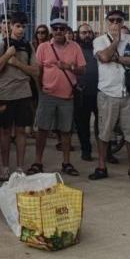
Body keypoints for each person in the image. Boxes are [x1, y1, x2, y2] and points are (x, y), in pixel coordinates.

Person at [91, 9, 130, 184]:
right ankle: (101, 166)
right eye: (112, 20)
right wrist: (115, 41)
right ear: (107, 22)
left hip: (128, 93)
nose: (115, 23)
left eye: (119, 20)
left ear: (123, 22)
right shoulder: (99, 40)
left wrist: (118, 59)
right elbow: (104, 57)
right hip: (108, 93)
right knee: (104, 132)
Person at [31, 17, 86, 176]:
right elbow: (38, 71)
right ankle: (38, 161)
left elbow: (82, 69)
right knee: (42, 130)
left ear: (66, 30)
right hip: (47, 95)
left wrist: (68, 66)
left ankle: (66, 162)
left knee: (66, 131)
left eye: (62, 28)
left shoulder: (75, 47)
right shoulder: (43, 47)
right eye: (55, 28)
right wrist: (40, 90)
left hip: (67, 96)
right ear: (52, 30)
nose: (58, 31)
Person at [0, 13, 36, 179]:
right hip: (5, 94)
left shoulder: (29, 46)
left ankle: (19, 168)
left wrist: (17, 63)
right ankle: (4, 167)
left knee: (21, 131)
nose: (21, 30)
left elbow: (35, 71)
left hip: (23, 93)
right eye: (18, 26)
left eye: (23, 26)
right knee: (4, 132)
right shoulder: (2, 46)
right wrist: (7, 55)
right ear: (11, 26)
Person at [75, 22, 100, 162]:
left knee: (102, 125)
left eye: (89, 32)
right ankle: (86, 150)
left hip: (99, 92)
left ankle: (106, 152)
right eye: (83, 33)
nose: (87, 35)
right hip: (82, 92)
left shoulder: (98, 48)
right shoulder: (75, 49)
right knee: (82, 125)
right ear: (78, 35)